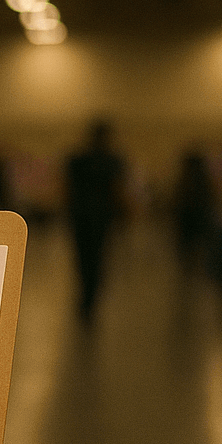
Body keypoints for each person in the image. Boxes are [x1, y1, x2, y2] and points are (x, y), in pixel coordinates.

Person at [65, 121, 125, 320]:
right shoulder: (111, 160)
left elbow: (67, 190)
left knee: (84, 260)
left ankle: (86, 297)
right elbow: (118, 191)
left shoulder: (78, 159)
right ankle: (89, 298)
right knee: (96, 260)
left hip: (81, 217)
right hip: (99, 218)